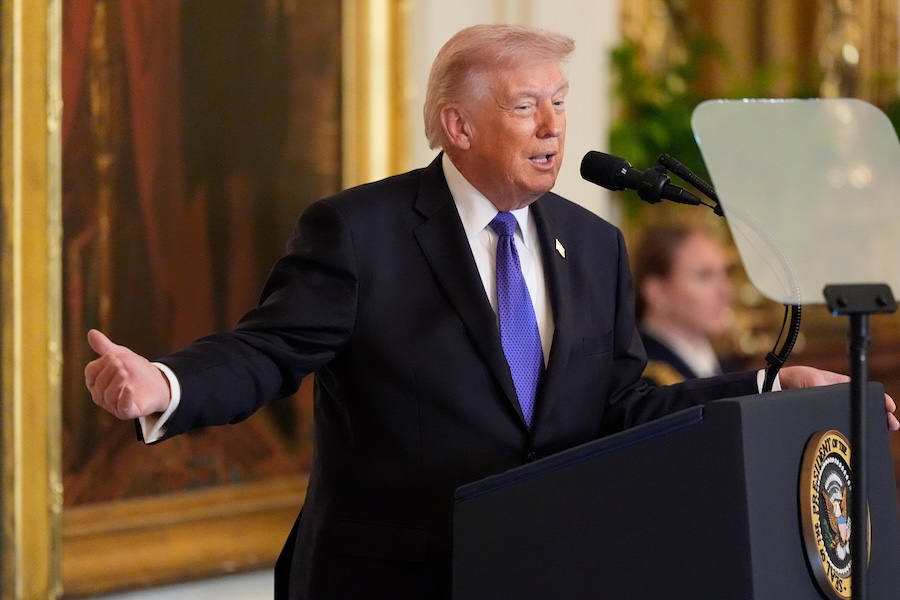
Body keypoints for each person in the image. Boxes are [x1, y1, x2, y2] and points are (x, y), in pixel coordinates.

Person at [84, 24, 898, 600]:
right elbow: (268, 351)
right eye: (524, 107)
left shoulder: (593, 245)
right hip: (390, 579)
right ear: (458, 126)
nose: (553, 127)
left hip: (538, 572)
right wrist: (167, 384)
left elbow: (622, 405)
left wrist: (767, 390)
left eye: (559, 103)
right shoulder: (361, 232)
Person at [632, 224, 739, 385]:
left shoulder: (728, 370)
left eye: (726, 274)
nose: (727, 292)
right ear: (657, 292)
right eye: (705, 276)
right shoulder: (641, 379)